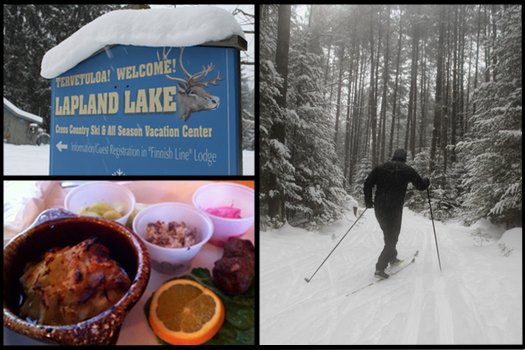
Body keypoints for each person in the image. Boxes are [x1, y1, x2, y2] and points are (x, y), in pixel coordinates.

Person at [364, 149, 430, 279]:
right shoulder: (407, 170)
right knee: (392, 237)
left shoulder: (380, 168)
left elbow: (367, 184)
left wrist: (368, 201)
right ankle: (380, 267)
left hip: (380, 208)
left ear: (393, 156)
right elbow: (421, 186)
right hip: (394, 209)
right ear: (404, 158)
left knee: (388, 234)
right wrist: (427, 181)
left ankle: (392, 258)